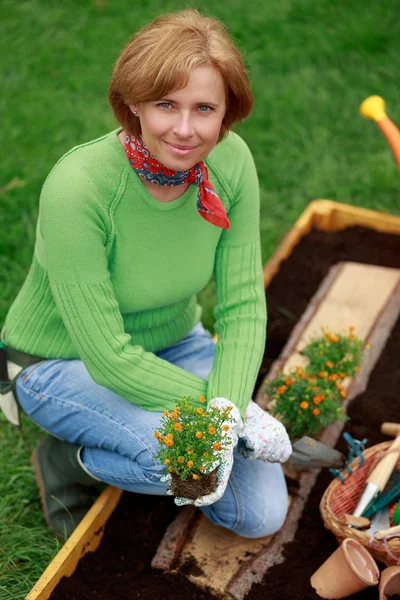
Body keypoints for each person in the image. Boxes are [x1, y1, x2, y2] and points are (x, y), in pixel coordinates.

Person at [1, 9, 292, 540]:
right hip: (64, 362)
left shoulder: (231, 164)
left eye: (204, 108)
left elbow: (244, 304)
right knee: (181, 463)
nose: (184, 130)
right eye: (165, 105)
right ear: (133, 102)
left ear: (228, 112)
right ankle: (67, 461)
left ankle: (156, 441)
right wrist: (233, 415)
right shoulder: (80, 190)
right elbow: (108, 355)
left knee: (260, 516)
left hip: (175, 343)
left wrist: (226, 407)